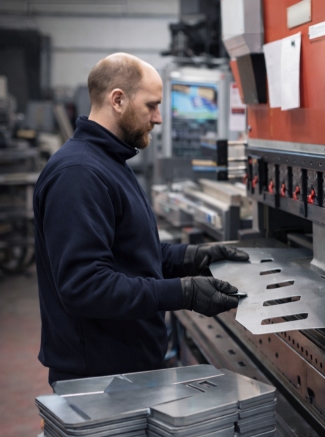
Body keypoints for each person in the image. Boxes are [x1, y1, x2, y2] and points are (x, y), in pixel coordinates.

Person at [33, 53, 248, 386]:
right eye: (151, 105)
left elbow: (130, 254)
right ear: (117, 100)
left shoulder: (109, 162)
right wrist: (183, 294)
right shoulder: (79, 174)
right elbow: (85, 286)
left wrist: (193, 257)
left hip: (127, 365)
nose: (159, 118)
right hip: (98, 378)